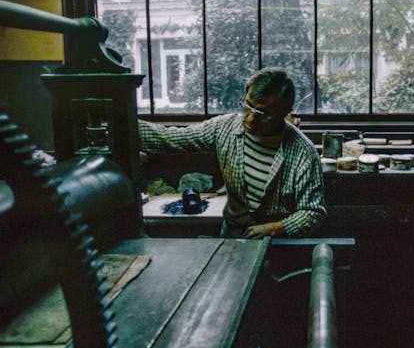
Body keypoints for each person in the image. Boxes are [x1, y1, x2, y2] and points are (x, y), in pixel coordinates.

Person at [138, 67, 326, 238]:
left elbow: (312, 213)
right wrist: (124, 123)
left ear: (285, 112)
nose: (250, 119)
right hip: (232, 235)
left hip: (277, 243)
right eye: (248, 106)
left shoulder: (303, 153)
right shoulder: (225, 128)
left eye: (263, 114)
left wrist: (272, 229)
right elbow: (172, 138)